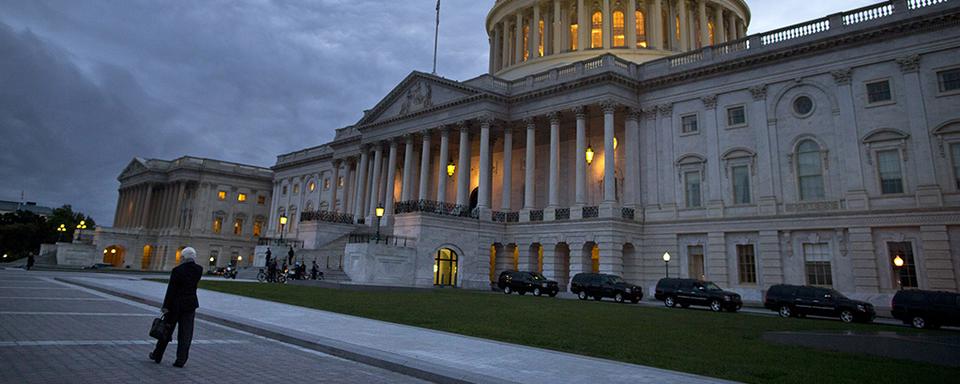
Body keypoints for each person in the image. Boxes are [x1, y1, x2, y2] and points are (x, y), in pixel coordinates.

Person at [150, 247, 202, 368]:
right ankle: (181, 360)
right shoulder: (199, 269)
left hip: (175, 305)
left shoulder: (177, 270)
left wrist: (165, 306)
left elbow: (171, 290)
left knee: (166, 331)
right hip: (190, 305)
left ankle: (157, 355)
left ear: (183, 258)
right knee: (186, 334)